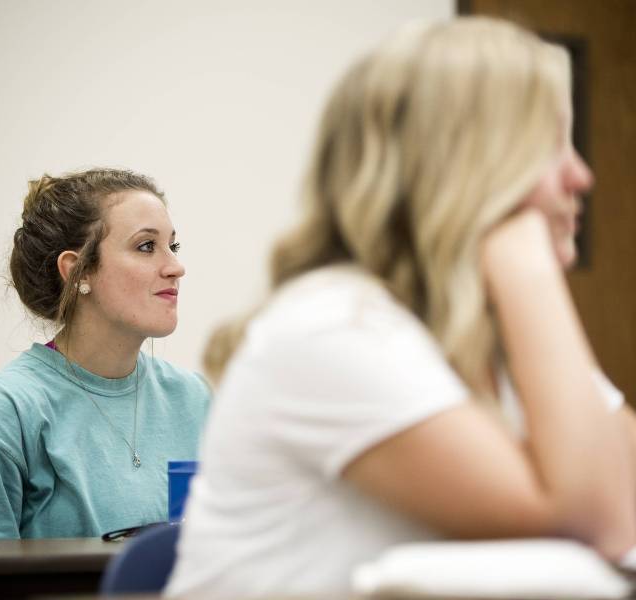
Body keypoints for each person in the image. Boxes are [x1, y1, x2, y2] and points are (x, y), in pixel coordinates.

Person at [166, 17, 636, 598]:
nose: (581, 175)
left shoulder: (485, 331)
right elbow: (601, 523)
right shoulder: (334, 326)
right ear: (469, 169)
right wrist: (527, 265)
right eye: (549, 146)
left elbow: (624, 488)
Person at [0, 168, 210, 541]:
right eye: (146, 246)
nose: (175, 267)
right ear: (78, 273)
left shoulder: (194, 399)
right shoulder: (3, 415)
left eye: (173, 246)